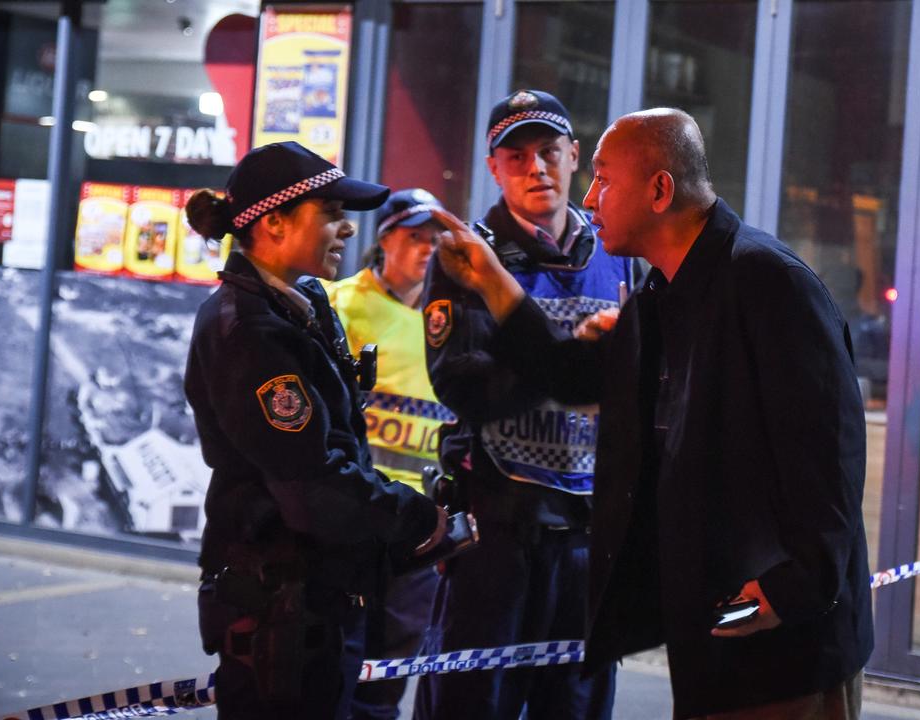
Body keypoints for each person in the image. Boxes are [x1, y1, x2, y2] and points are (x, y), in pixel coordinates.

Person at [426, 108, 873, 719]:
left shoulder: (767, 282)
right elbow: (573, 375)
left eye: (604, 179)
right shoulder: (666, 292)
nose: (589, 195)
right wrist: (496, 282)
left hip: (779, 641)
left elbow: (831, 451)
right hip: (715, 633)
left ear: (660, 190)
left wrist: (789, 590)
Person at [184, 141, 447, 720]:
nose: (348, 230)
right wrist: (420, 519)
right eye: (330, 213)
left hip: (317, 597)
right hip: (280, 606)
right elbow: (312, 485)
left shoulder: (300, 301)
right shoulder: (248, 331)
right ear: (274, 223)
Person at [412, 89, 630, 720]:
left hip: (588, 537)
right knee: (472, 703)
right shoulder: (466, 259)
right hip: (497, 535)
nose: (535, 168)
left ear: (574, 158)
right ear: (494, 166)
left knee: (578, 705)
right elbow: (461, 387)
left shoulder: (617, 252)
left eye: (548, 152)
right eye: (517, 156)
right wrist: (571, 365)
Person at [324, 188, 457, 720]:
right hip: (354, 517)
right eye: (415, 237)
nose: (428, 248)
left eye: (435, 239)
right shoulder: (340, 304)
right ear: (384, 241)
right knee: (337, 666)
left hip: (417, 529)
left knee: (391, 674)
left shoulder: (446, 316)